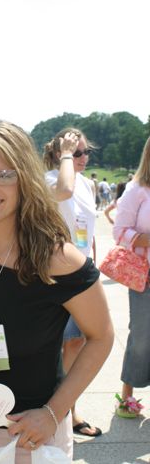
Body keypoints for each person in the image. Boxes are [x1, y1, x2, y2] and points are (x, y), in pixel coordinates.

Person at [0, 121, 113, 463]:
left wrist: (53, 412)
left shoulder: (56, 258)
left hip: (29, 440)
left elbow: (101, 336)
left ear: (25, 180)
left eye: (5, 174)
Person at [43, 128, 102, 437]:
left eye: (85, 152)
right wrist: (65, 155)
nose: (83, 158)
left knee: (78, 343)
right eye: (76, 152)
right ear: (59, 154)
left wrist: (93, 264)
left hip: (80, 273)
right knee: (58, 344)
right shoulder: (53, 178)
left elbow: (87, 229)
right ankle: (57, 410)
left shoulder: (89, 184)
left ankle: (69, 408)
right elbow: (63, 193)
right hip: (55, 274)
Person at [113, 136, 150, 416]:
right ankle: (127, 397)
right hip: (145, 277)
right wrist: (146, 240)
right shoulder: (137, 190)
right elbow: (119, 232)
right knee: (141, 337)